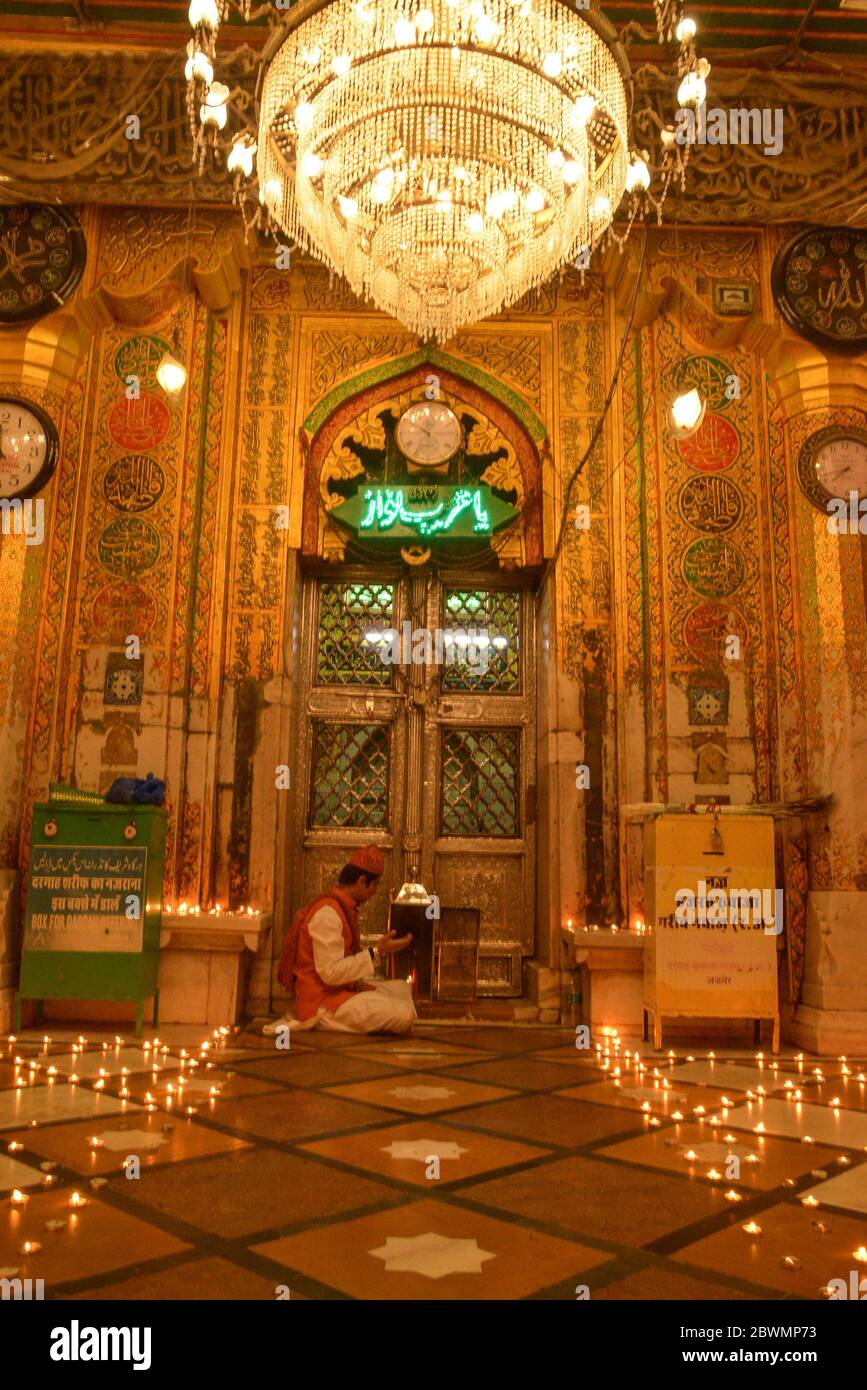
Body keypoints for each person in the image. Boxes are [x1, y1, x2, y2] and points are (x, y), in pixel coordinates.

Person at [265, 844, 415, 1035]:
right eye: (375, 884)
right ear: (362, 881)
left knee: (402, 989)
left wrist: (378, 952)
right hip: (323, 1001)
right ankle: (322, 1021)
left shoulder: (343, 908)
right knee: (404, 1015)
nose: (375, 891)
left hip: (340, 992)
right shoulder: (328, 915)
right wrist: (378, 952)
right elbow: (330, 973)